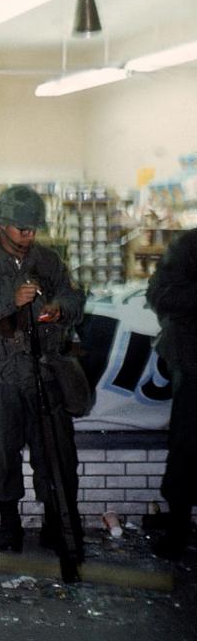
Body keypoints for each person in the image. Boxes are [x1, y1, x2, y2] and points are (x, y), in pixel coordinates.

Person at [0, 185, 85, 555]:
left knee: (54, 453)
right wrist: (9, 300)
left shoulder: (48, 260)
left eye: (33, 229)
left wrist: (60, 308)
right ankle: (8, 521)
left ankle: (54, 521)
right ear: (3, 225)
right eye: (21, 228)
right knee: (1, 453)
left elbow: (75, 296)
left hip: (43, 372)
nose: (28, 235)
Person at [146, 227, 197, 559]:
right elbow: (159, 295)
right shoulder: (189, 246)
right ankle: (177, 528)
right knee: (187, 443)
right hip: (193, 361)